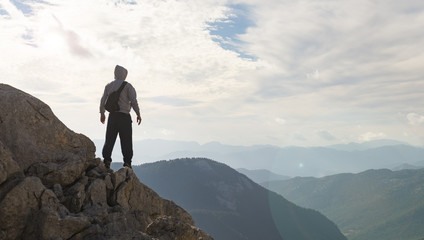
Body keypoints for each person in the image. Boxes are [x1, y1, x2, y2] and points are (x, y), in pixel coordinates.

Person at [99, 65, 142, 169]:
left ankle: (106, 161)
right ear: (124, 74)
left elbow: (102, 101)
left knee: (109, 139)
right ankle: (127, 163)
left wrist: (102, 114)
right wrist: (138, 114)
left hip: (112, 117)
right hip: (124, 117)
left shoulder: (108, 86)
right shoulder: (128, 86)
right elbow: (133, 101)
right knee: (126, 140)